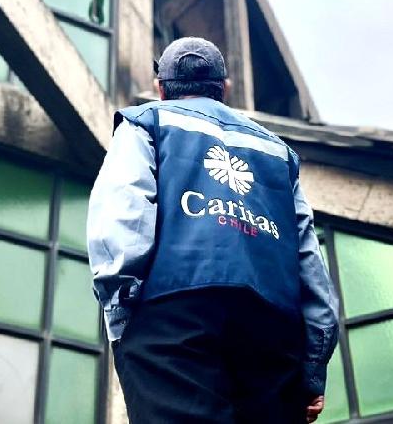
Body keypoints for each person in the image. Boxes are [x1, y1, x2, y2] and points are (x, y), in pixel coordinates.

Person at [87, 37, 339, 423]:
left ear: (160, 88)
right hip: (271, 333)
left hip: (172, 318)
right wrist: (312, 368)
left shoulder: (146, 122)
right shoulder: (278, 154)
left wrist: (123, 317)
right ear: (225, 88)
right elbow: (311, 265)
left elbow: (122, 219)